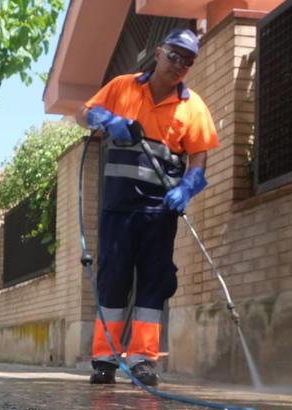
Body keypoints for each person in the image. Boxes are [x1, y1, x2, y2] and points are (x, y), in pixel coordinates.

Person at [76, 28, 218, 386]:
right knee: (113, 279)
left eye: (188, 61)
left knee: (154, 284)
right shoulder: (122, 88)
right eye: (174, 55)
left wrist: (187, 189)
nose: (179, 65)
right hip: (118, 209)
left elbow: (199, 162)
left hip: (160, 211)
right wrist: (107, 121)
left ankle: (143, 360)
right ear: (158, 52)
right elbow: (83, 114)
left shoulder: (193, 108)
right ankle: (104, 359)